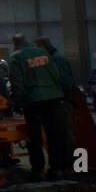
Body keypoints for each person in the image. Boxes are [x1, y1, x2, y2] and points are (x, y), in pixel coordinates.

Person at [8, 33, 67, 179]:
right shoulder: (43, 52)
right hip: (53, 97)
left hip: (33, 100)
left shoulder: (16, 57)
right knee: (53, 134)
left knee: (34, 137)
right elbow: (55, 73)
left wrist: (15, 101)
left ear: (15, 44)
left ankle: (38, 169)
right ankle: (57, 168)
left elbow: (17, 83)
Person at [34, 37, 77, 173]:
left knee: (65, 133)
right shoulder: (53, 58)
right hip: (60, 100)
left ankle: (69, 164)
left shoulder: (56, 60)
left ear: (43, 47)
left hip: (62, 100)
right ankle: (64, 163)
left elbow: (65, 81)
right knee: (61, 133)